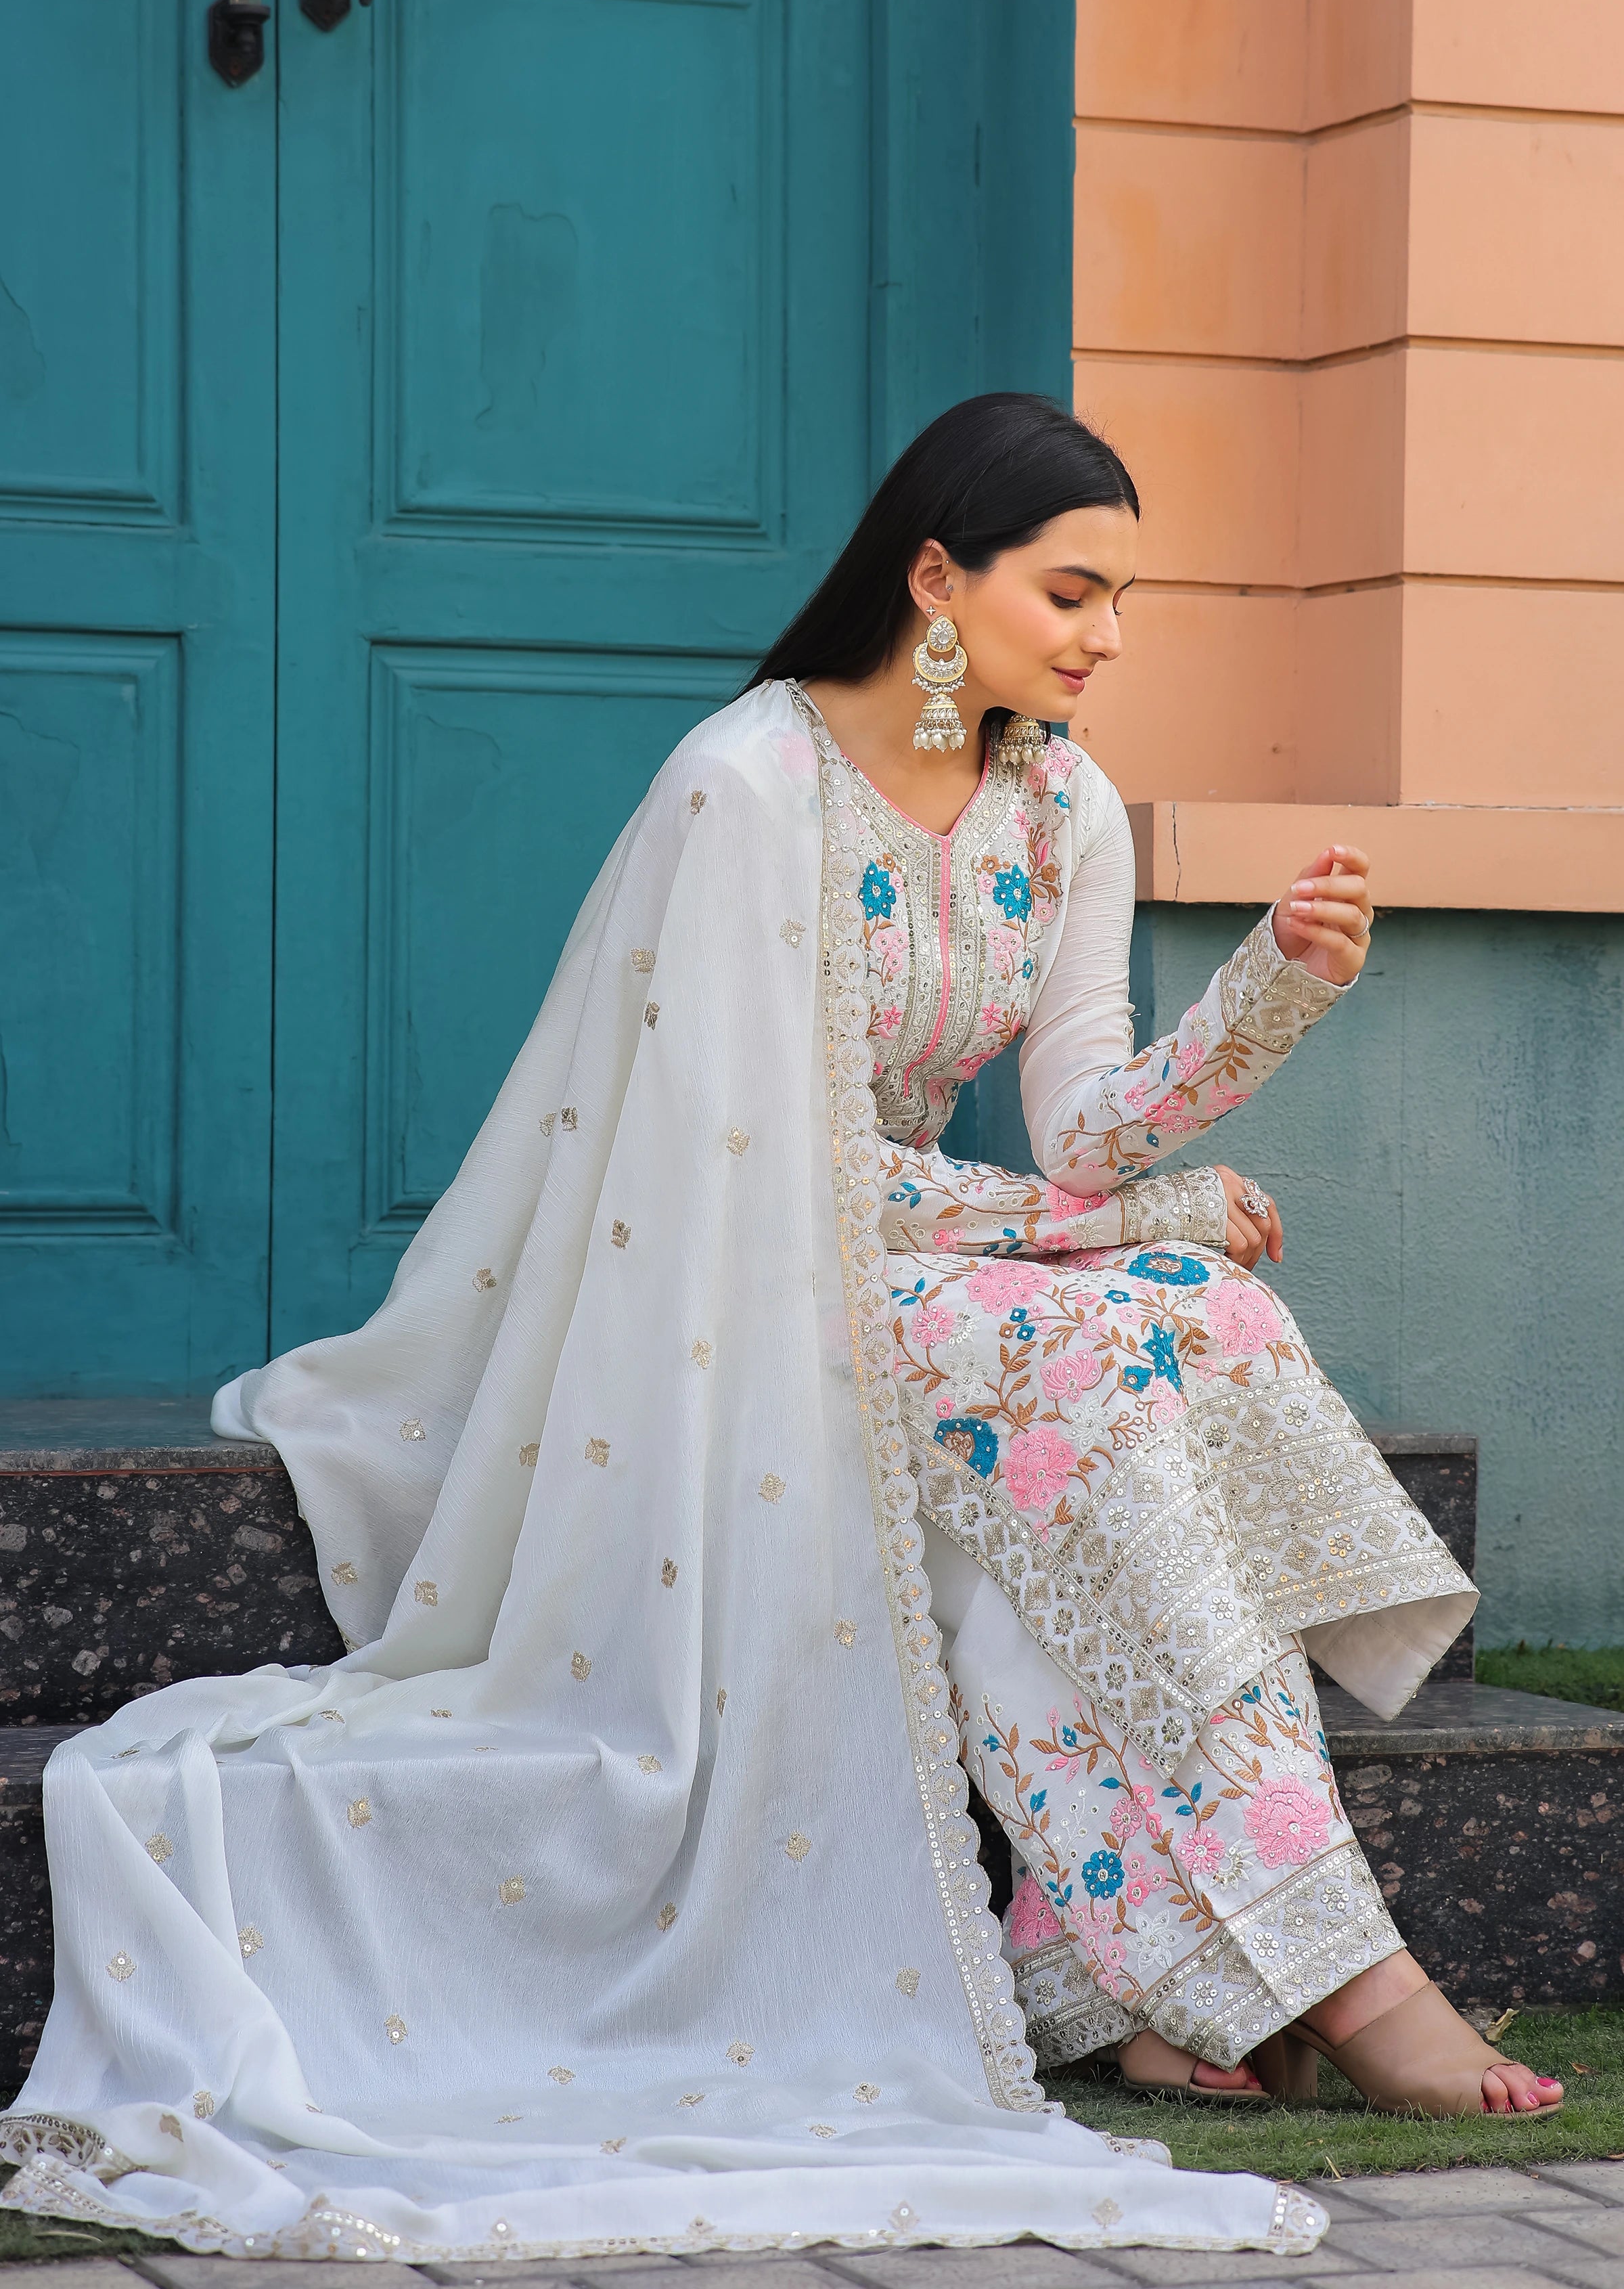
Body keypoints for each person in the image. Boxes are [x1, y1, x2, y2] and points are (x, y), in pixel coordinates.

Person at [0, 397, 1556, 2271]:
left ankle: (1131, 1982)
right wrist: (1120, 1223)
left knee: (1195, 1323)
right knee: (1098, 1355)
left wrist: (1270, 1003)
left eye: (1124, 602)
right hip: (719, 1278)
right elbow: (785, 1175)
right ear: (933, 578)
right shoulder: (747, 789)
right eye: (1073, 591)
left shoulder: (1056, 805)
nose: (1107, 638)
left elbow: (1074, 1124)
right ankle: (1336, 1967)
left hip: (904, 1264)